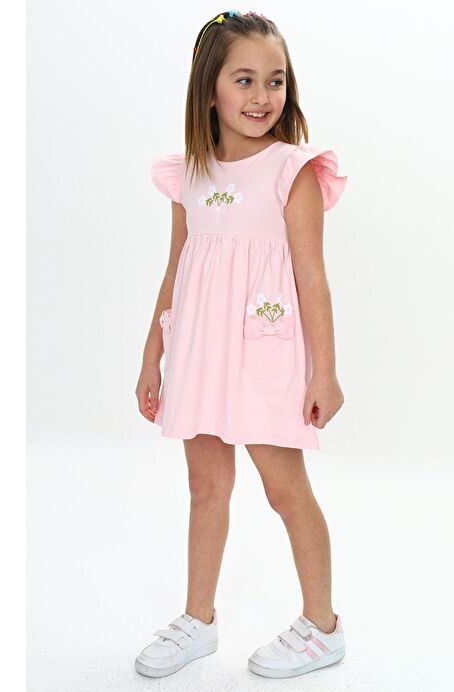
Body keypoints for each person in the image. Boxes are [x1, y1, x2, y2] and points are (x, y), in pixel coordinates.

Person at [135, 9, 348, 681]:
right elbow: (176, 269)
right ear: (210, 90)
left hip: (265, 357)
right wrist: (151, 356)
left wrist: (325, 372)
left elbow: (311, 275)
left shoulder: (293, 170)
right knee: (206, 486)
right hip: (200, 352)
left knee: (285, 490)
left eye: (275, 80)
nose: (262, 96)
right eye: (244, 79)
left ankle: (322, 626)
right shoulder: (189, 175)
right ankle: (197, 620)